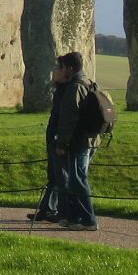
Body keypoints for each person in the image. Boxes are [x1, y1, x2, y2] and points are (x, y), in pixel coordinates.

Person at [29, 51, 98, 231]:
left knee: (78, 180)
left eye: (60, 67)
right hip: (87, 140)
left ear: (70, 68)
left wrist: (61, 144)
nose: (57, 70)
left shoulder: (75, 87)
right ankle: (74, 217)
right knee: (76, 179)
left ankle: (88, 219)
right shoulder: (87, 83)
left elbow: (68, 119)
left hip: (78, 142)